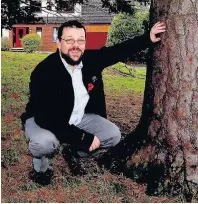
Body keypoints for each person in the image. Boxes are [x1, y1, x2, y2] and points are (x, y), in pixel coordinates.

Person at [21, 20, 166, 184]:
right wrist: (83, 137)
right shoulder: (44, 71)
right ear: (59, 42)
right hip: (44, 121)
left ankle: (74, 152)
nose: (75, 45)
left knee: (113, 135)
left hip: (77, 116)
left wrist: (147, 38)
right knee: (45, 143)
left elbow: (118, 51)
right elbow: (46, 117)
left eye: (80, 40)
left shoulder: (91, 60)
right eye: (69, 40)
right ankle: (41, 170)